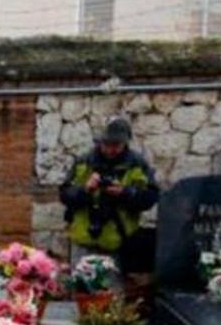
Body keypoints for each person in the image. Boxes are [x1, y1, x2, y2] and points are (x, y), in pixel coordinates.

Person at [59, 117, 160, 274]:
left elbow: (150, 198)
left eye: (116, 145)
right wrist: (85, 189)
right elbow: (65, 194)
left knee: (114, 295)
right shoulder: (83, 162)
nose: (110, 149)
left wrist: (125, 193)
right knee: (82, 291)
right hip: (83, 240)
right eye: (106, 144)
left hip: (118, 242)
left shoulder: (137, 164)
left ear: (125, 143)